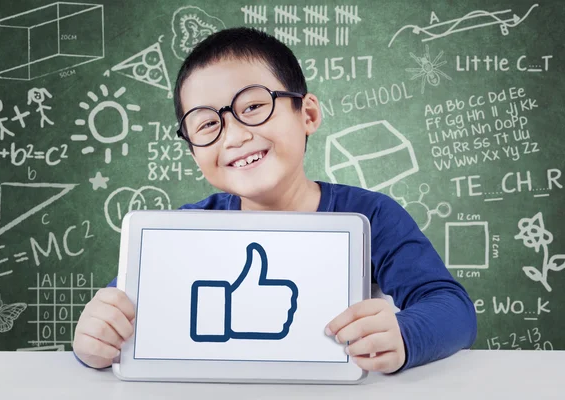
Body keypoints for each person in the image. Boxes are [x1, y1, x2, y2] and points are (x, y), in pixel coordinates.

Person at [72, 27, 477, 374]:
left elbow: (452, 309)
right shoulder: (182, 234)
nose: (233, 137)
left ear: (309, 115)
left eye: (252, 106)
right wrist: (93, 341)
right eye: (207, 124)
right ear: (193, 150)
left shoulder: (372, 217)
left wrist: (405, 336)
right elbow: (115, 320)